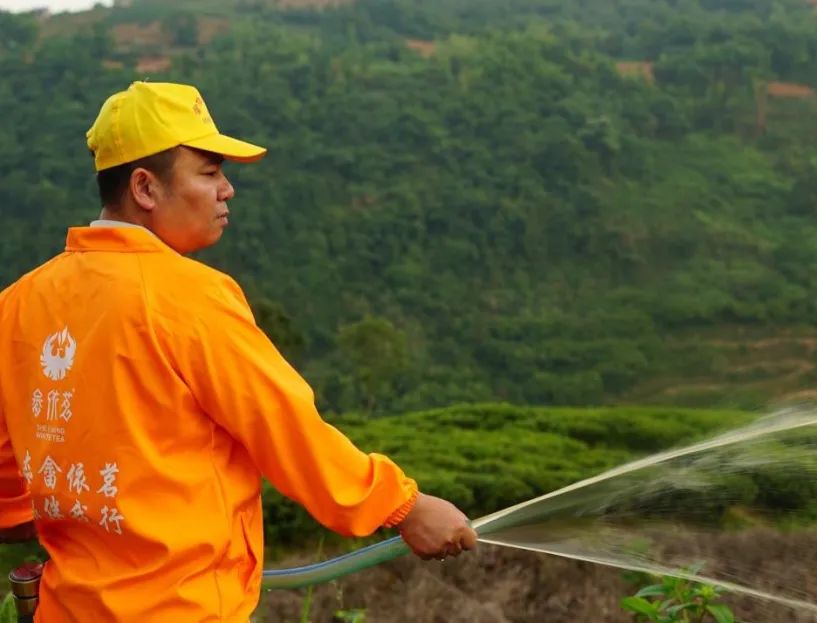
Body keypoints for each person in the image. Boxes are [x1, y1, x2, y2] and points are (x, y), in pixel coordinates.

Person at [0, 81, 477, 622]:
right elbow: (285, 428)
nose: (226, 190)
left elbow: (6, 465)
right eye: (208, 172)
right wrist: (404, 508)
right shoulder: (190, 296)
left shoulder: (18, 302)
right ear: (145, 188)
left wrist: (29, 514)